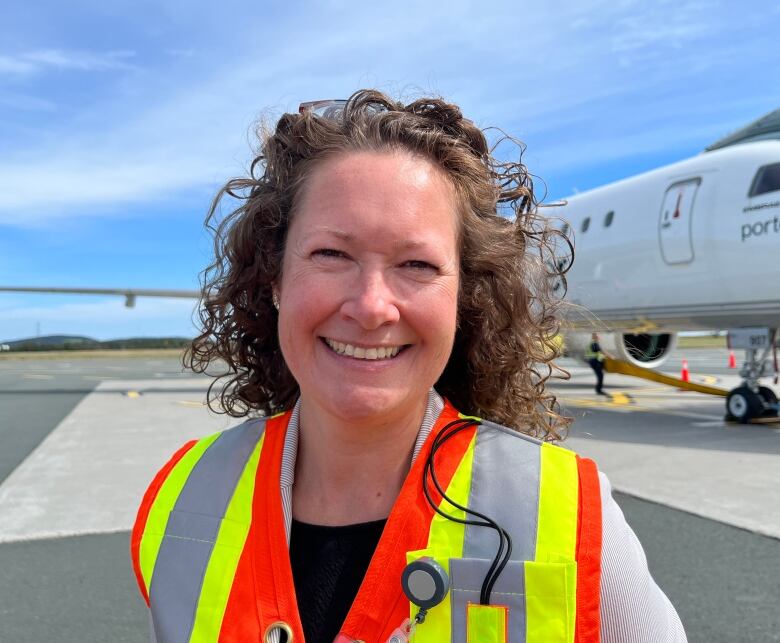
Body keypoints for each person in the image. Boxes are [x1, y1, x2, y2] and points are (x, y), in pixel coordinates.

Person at [130, 90, 686, 643]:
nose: (372, 306)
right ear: (274, 279)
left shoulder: (578, 523)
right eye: (331, 255)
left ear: (463, 296)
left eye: (417, 264)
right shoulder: (179, 500)